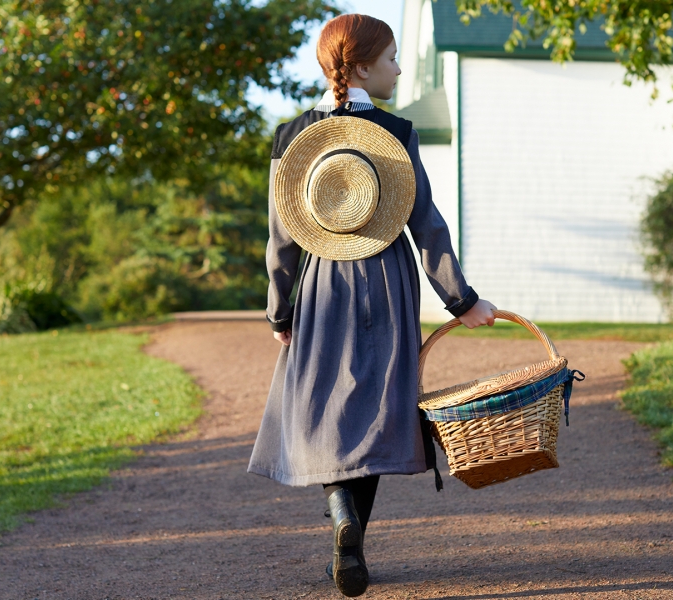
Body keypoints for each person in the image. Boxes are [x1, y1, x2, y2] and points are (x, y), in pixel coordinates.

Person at [248, 13, 496, 597]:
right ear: (360, 67)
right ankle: (355, 537)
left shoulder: (291, 137)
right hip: (387, 282)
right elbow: (427, 226)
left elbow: (281, 241)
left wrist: (280, 313)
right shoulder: (397, 132)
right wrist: (462, 301)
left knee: (324, 411)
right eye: (390, 60)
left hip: (321, 286)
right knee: (379, 411)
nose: (400, 68)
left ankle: (340, 514)